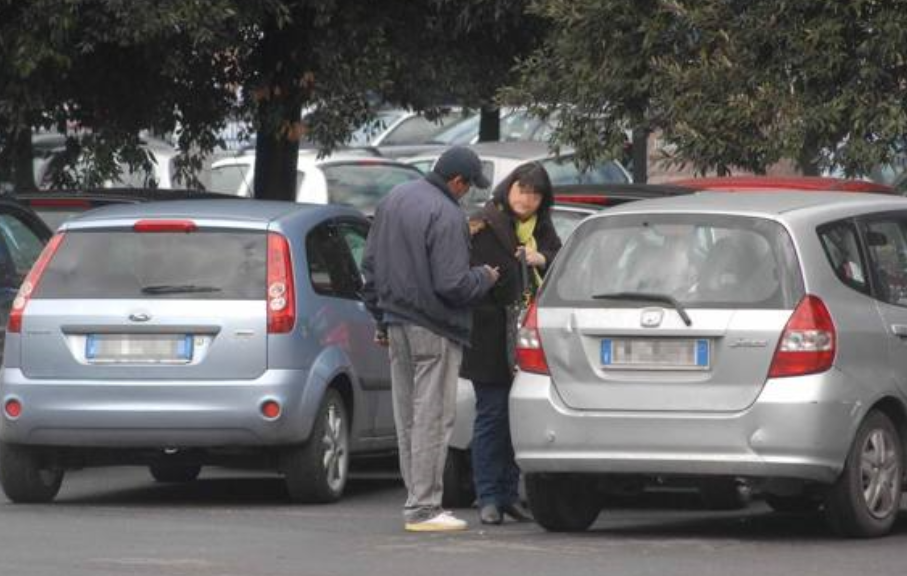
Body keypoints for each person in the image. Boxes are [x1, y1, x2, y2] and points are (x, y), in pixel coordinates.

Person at [361, 146, 500, 532]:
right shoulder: (448, 214)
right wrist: (485, 277)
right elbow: (452, 284)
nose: (468, 193)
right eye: (469, 186)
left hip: (396, 322)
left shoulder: (394, 199)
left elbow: (369, 267)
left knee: (408, 417)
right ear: (457, 181)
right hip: (434, 328)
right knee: (433, 418)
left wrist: (380, 318)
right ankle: (423, 508)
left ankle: (415, 500)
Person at [461, 162, 561, 525]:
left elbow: (560, 261)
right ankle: (487, 495)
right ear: (508, 188)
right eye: (522, 190)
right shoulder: (483, 224)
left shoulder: (543, 229)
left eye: (535, 194)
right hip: (488, 332)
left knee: (516, 416)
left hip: (526, 335)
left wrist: (542, 258)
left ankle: (508, 493)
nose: (527, 200)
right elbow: (470, 277)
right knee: (491, 414)